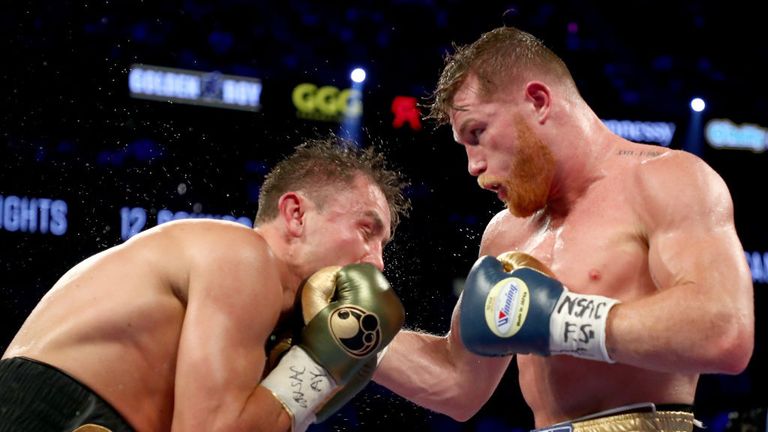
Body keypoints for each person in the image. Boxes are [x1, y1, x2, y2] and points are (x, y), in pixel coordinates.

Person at [374, 26, 754, 431]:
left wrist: (562, 320)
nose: (473, 166)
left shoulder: (666, 179)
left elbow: (724, 330)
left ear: (538, 101)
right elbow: (457, 383)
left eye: (478, 133)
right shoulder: (505, 235)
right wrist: (347, 333)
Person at [1, 136, 410, 432]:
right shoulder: (244, 257)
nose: (376, 261)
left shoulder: (255, 323)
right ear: (297, 215)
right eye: (365, 230)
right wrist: (321, 365)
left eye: (383, 245)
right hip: (51, 410)